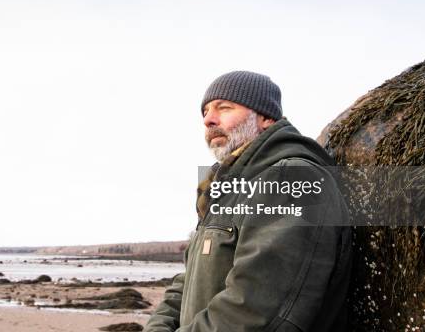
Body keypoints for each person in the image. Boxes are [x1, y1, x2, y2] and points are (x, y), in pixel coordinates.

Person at [144, 71, 352, 332]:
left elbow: (256, 311)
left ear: (265, 117)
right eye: (206, 111)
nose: (209, 119)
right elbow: (188, 283)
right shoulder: (225, 189)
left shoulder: (290, 178)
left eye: (224, 108)